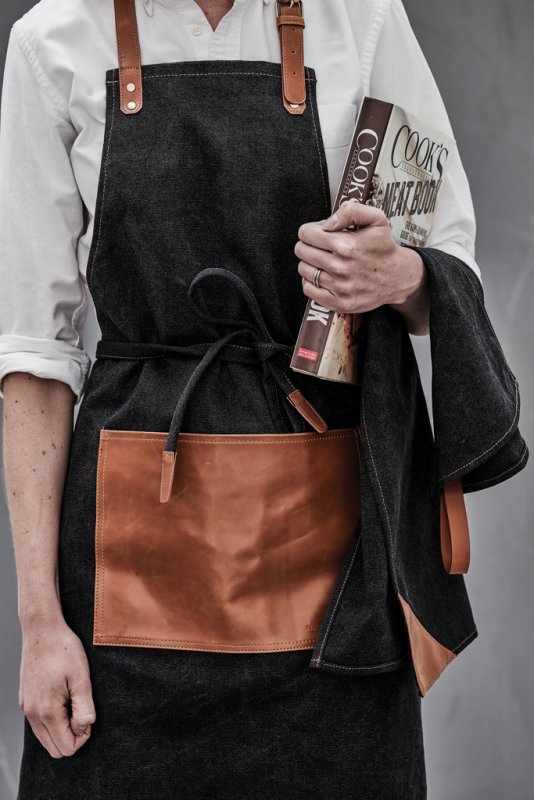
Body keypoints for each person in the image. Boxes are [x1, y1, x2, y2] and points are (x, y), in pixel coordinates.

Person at [0, 1, 527, 798]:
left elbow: (443, 255)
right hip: (123, 578)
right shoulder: (52, 41)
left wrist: (399, 275)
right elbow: (37, 358)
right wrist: (41, 624)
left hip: (334, 576)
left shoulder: (363, 18)